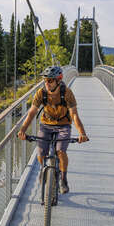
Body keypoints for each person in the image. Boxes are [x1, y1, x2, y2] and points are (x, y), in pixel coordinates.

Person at [18, 65, 89, 194]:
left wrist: (82, 133)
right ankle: (42, 169)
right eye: (45, 81)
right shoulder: (41, 93)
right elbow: (32, 112)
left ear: (58, 80)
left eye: (50, 81)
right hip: (46, 125)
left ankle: (63, 179)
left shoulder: (67, 93)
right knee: (40, 153)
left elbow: (74, 115)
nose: (47, 84)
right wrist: (22, 130)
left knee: (60, 150)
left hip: (63, 125)